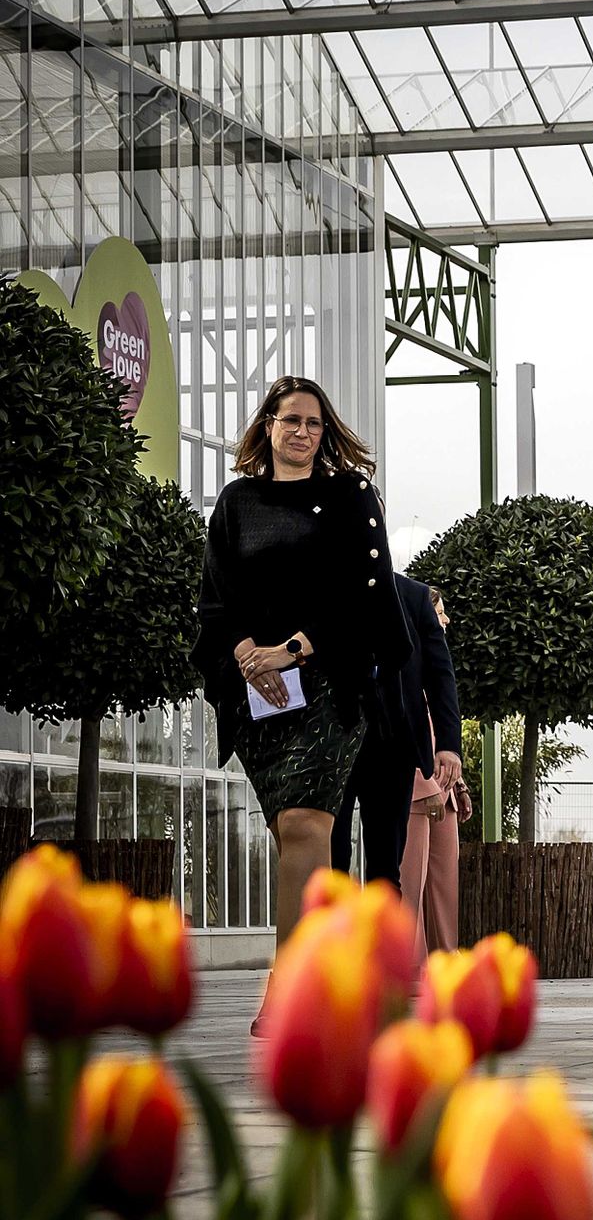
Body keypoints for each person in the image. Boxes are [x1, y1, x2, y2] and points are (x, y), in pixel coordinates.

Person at [195, 375, 413, 1030]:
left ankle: (291, 992)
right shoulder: (237, 503)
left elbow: (367, 596)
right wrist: (242, 654)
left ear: (326, 432)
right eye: (290, 420)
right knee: (289, 835)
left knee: (305, 827)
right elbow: (215, 596)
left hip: (330, 682)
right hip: (256, 692)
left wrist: (292, 649)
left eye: (314, 423)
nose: (302, 433)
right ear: (267, 426)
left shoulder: (350, 497)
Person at [334, 571, 460, 884]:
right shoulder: (323, 589)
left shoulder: (414, 596)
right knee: (332, 858)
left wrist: (448, 744)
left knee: (387, 865)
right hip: (332, 743)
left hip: (394, 745)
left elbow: (440, 674)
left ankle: (382, 931)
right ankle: (334, 932)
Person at [398, 584, 468, 960]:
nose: (446, 619)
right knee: (410, 879)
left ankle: (444, 960)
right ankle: (406, 966)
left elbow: (442, 723)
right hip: (415, 785)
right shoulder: (405, 662)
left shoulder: (435, 663)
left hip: (445, 786)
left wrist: (460, 784)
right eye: (440, 612)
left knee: (443, 879)